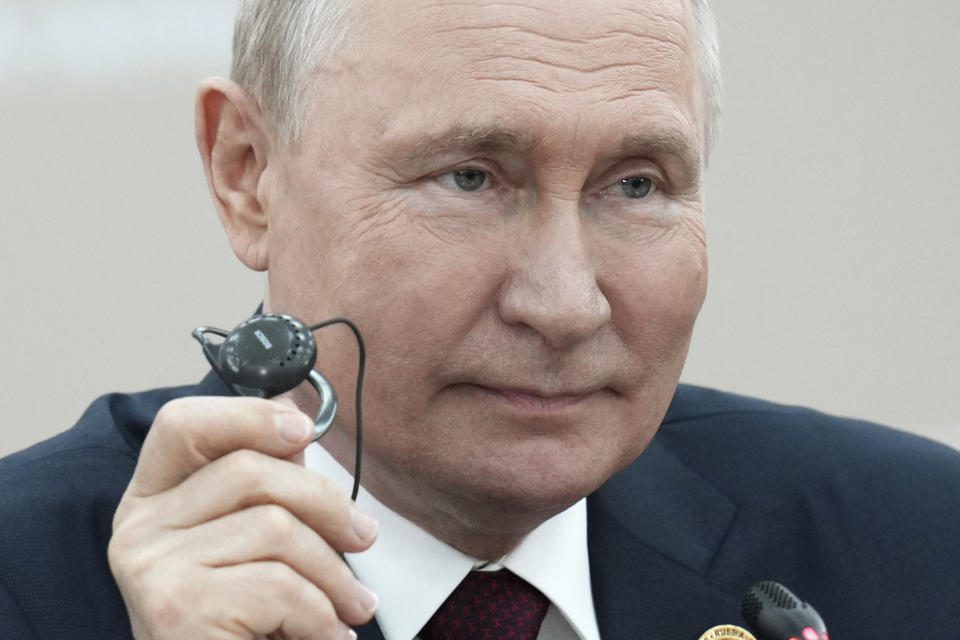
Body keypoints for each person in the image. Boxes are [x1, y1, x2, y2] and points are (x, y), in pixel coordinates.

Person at [1, 1, 958, 639]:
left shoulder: (917, 548)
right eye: (469, 178)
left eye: (636, 185)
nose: (564, 304)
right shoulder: (27, 582)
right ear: (248, 173)